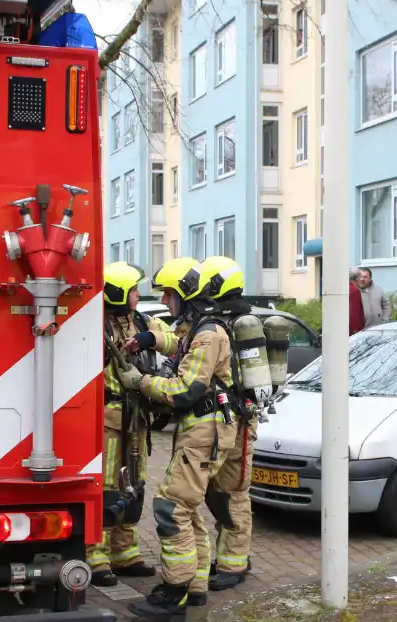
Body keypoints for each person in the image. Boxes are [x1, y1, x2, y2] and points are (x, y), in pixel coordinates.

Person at [116, 258, 238, 619]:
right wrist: (149, 338)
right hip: (202, 430)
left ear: (185, 296)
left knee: (169, 507)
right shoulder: (199, 328)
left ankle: (174, 593)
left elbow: (185, 389)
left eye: (169, 295)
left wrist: (140, 382)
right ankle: (194, 586)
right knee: (187, 508)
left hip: (205, 430)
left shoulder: (209, 333)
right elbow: (178, 344)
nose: (166, 302)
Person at [85, 261, 166, 587]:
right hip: (109, 418)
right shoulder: (96, 326)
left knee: (136, 483)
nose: (137, 294)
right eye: (133, 289)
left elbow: (170, 335)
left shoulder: (143, 321)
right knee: (107, 486)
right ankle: (96, 553)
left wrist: (149, 337)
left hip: (138, 419)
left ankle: (125, 551)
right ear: (118, 292)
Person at [194, 256, 259, 592]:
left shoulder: (240, 323)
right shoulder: (222, 321)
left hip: (240, 421)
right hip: (224, 420)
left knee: (234, 492)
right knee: (217, 490)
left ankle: (235, 564)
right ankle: (231, 554)